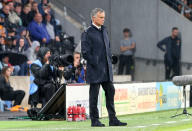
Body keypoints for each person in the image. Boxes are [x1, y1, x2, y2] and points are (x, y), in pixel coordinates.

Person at [81, 8, 127, 127]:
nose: (103, 19)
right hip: (95, 70)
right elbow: (85, 53)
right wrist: (96, 62)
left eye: (104, 17)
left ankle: (112, 119)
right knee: (94, 96)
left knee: (110, 91)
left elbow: (107, 49)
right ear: (93, 18)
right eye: (101, 17)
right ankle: (94, 120)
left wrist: (110, 57)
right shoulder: (87, 32)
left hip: (106, 69)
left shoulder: (105, 30)